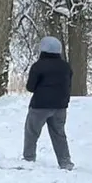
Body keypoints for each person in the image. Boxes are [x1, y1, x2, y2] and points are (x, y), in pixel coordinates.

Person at [24, 36, 74, 170]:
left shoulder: (38, 66)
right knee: (59, 134)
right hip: (60, 106)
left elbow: (30, 87)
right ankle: (65, 161)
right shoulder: (66, 67)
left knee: (32, 132)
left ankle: (29, 158)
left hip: (40, 105)